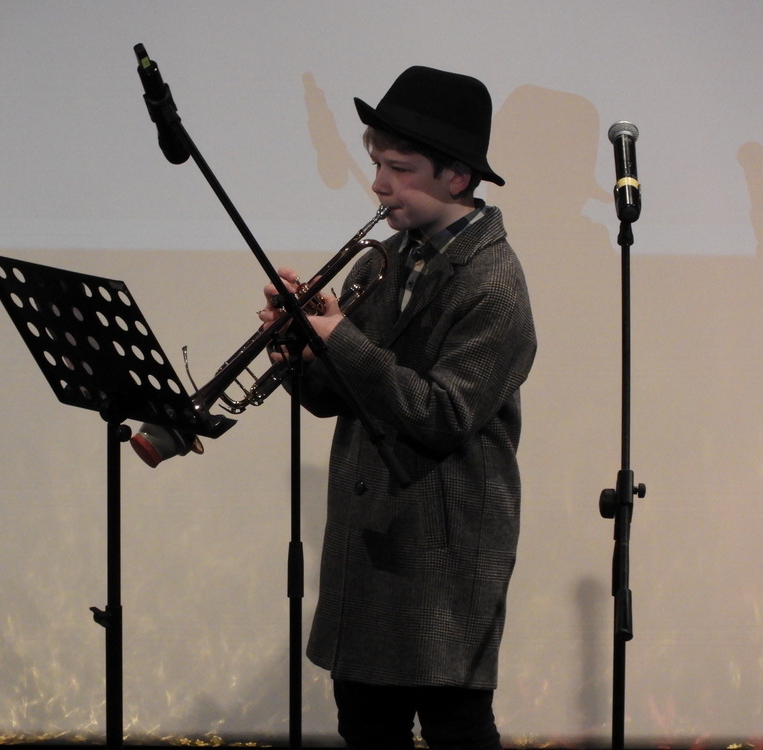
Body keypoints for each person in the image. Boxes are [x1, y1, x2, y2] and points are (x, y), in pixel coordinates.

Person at [259, 66, 536, 750]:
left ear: (458, 177)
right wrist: (296, 349)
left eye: (400, 168)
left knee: (455, 727)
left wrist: (341, 340)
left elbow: (441, 414)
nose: (379, 183)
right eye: (377, 163)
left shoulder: (495, 285)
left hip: (443, 552)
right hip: (367, 541)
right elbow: (336, 398)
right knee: (365, 723)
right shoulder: (379, 262)